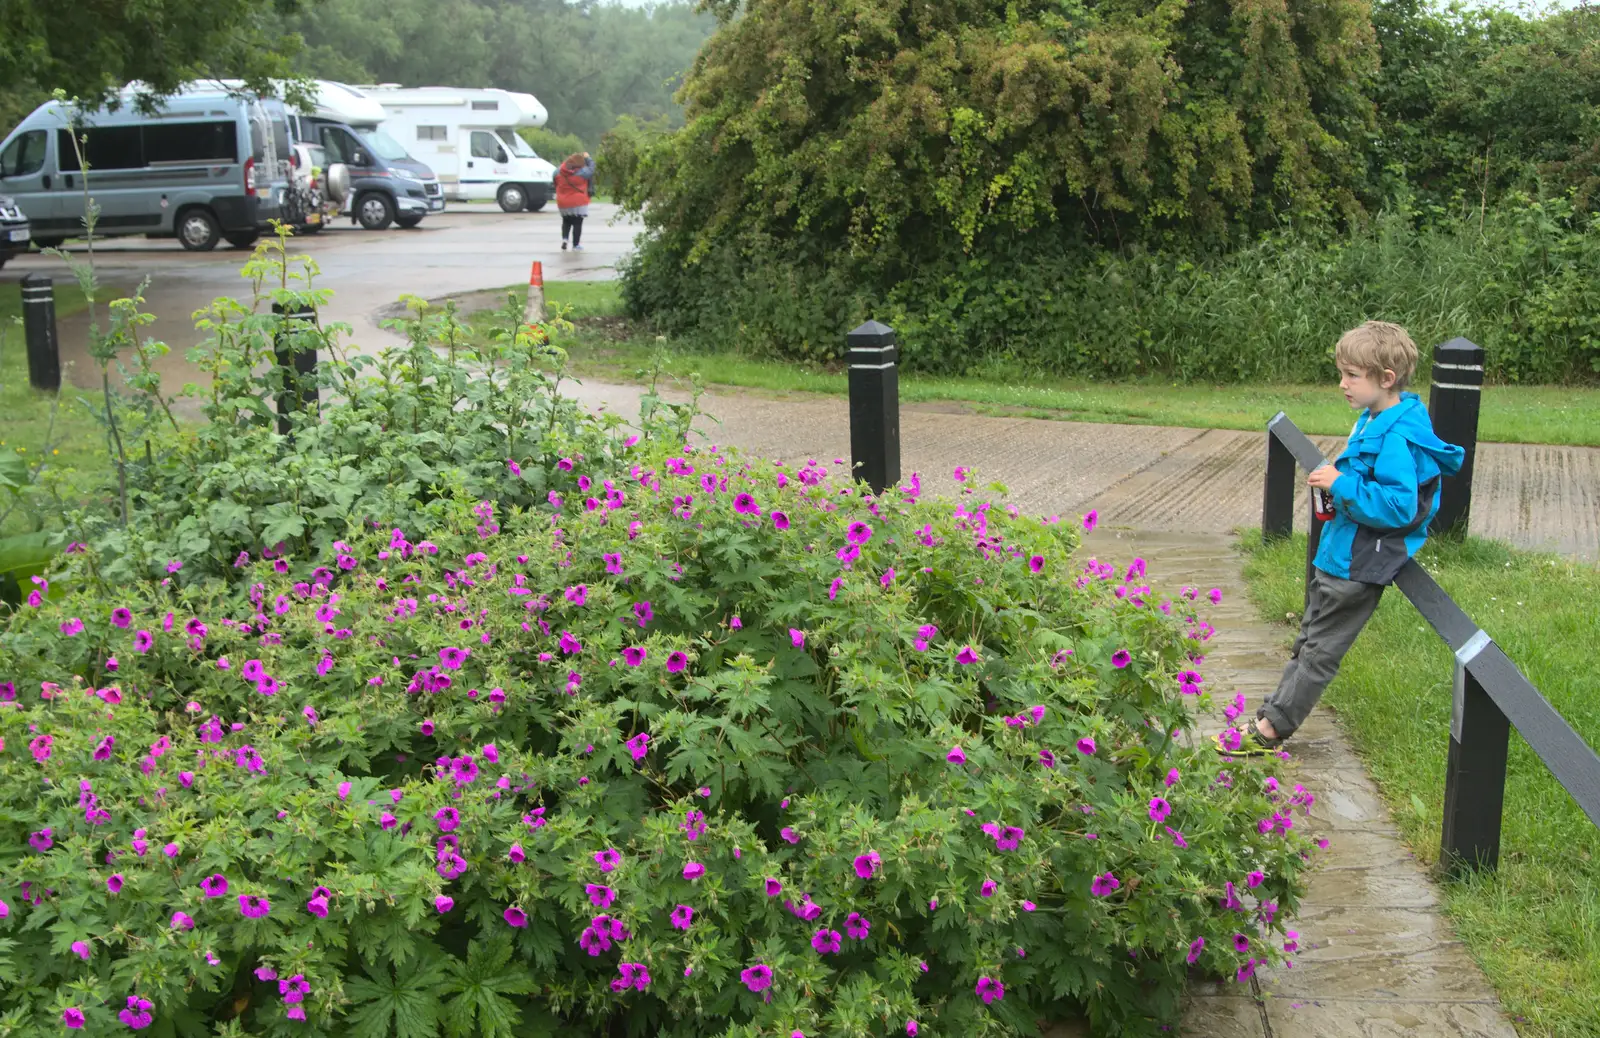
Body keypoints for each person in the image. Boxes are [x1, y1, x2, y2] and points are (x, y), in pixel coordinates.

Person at [1217, 321, 1464, 757]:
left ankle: (1272, 729)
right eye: (1342, 373)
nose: (1342, 383)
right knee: (1308, 640)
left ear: (1385, 379)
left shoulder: (1395, 437)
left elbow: (1398, 507)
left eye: (1352, 375)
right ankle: (1271, 714)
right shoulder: (1377, 417)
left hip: (1358, 564)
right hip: (1342, 551)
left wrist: (1341, 485)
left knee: (1319, 653)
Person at [553, 151, 595, 251]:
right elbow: (592, 168)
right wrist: (588, 158)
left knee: (566, 221)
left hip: (563, 202)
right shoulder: (582, 172)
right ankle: (576, 245)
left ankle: (565, 239)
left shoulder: (558, 171)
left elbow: (555, 183)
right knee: (577, 223)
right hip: (578, 202)